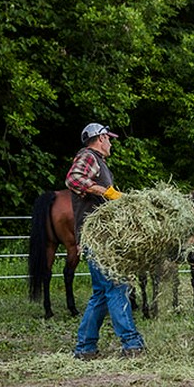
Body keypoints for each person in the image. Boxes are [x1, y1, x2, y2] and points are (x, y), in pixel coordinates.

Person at [66, 122, 145, 360]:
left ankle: (85, 348)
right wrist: (105, 191)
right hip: (98, 238)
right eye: (108, 138)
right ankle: (131, 344)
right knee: (116, 286)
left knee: (101, 293)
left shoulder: (98, 162)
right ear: (100, 138)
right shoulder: (88, 157)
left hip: (98, 237)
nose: (110, 143)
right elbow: (73, 179)